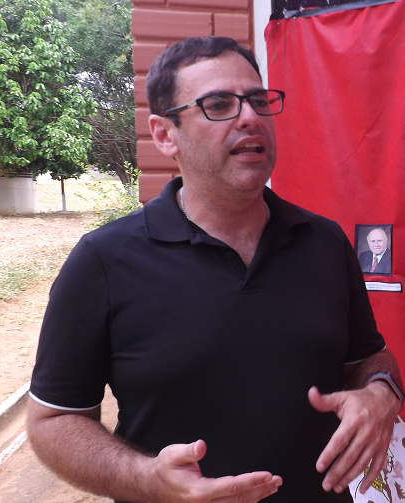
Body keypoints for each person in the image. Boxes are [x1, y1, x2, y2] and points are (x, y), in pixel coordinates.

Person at [27, 37, 404, 503]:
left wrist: (381, 392)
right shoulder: (103, 260)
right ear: (165, 135)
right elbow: (53, 420)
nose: (250, 118)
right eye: (219, 104)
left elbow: (369, 359)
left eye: (258, 100)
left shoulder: (325, 242)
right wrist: (147, 479)